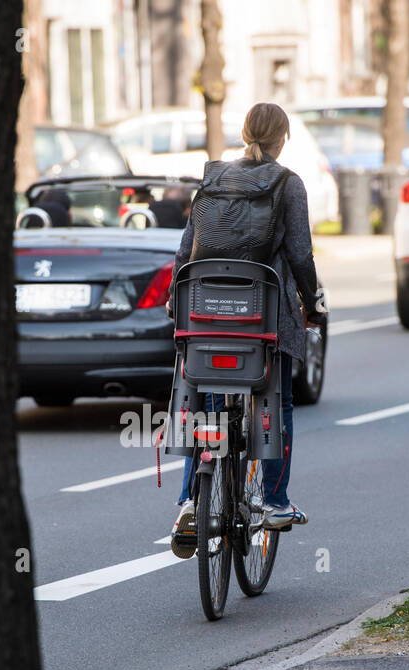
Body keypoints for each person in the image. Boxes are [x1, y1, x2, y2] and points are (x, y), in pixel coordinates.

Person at [167, 102, 323, 557]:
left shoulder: (212, 180)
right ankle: (274, 501)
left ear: (243, 134)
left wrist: (177, 299)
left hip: (207, 315)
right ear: (283, 139)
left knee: (206, 405)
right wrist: (313, 306)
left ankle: (189, 503)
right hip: (264, 316)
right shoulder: (287, 183)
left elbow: (186, 251)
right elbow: (300, 255)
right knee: (277, 402)